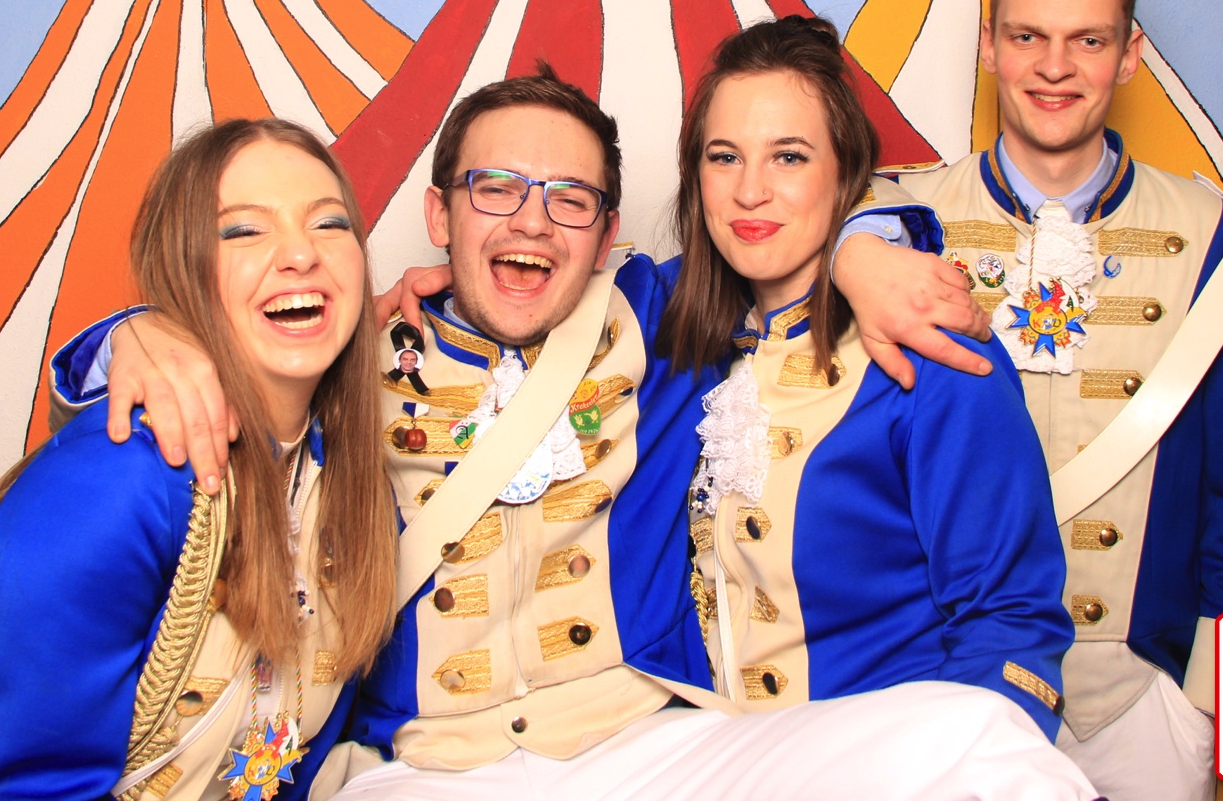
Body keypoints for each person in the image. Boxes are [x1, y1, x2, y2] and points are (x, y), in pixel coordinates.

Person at [52, 71, 1008, 798]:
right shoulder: (342, 353)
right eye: (496, 188)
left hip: (647, 750)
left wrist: (863, 249)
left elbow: (779, 227)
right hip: (425, 769)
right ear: (439, 213)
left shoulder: (661, 319)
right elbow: (222, 341)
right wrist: (133, 331)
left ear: (606, 234)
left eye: (570, 199)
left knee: (973, 737)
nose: (533, 222)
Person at [881, 0, 1223, 801]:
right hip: (939, 676)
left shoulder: (1217, 244)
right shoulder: (896, 226)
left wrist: (1201, 701)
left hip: (1140, 694)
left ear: (1129, 55)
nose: (1054, 67)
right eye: (1028, 36)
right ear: (988, 45)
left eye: (1088, 40)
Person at [657, 18, 1083, 780]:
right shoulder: (670, 333)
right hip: (712, 769)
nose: (750, 190)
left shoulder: (937, 352)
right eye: (724, 157)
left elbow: (1010, 619)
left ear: (845, 174)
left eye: (790, 156)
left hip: (892, 769)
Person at [0, 119, 397, 800]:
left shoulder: (341, 477)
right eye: (244, 230)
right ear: (185, 267)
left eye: (329, 224)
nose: (302, 253)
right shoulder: (117, 480)